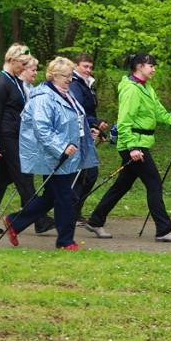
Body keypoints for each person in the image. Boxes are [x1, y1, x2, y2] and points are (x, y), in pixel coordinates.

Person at [83, 52, 171, 242]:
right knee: (154, 183)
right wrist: (133, 147)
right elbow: (124, 121)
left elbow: (160, 113)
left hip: (139, 144)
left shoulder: (146, 88)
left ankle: (95, 220)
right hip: (133, 145)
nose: (154, 68)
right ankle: (164, 230)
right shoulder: (131, 90)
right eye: (151, 65)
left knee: (122, 185)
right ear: (140, 67)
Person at [3, 57, 99, 250]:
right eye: (66, 75)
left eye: (71, 75)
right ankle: (65, 241)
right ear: (53, 76)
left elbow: (74, 121)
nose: (70, 79)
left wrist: (90, 131)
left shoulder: (66, 94)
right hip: (52, 156)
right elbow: (42, 128)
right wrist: (61, 147)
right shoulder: (44, 97)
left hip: (68, 156)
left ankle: (15, 221)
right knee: (65, 197)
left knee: (52, 196)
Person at [0, 45, 56, 235]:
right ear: (12, 60)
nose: (24, 67)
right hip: (8, 138)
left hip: (17, 136)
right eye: (22, 63)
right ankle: (40, 219)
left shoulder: (14, 82)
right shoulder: (1, 83)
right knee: (24, 177)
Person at [69, 52, 107, 224]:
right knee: (85, 173)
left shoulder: (88, 84)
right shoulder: (75, 85)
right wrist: (95, 123)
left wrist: (97, 127)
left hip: (87, 131)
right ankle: (71, 211)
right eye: (85, 66)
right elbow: (78, 111)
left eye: (91, 67)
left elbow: (90, 110)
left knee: (87, 173)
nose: (88, 70)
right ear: (75, 65)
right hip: (78, 133)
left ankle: (74, 210)